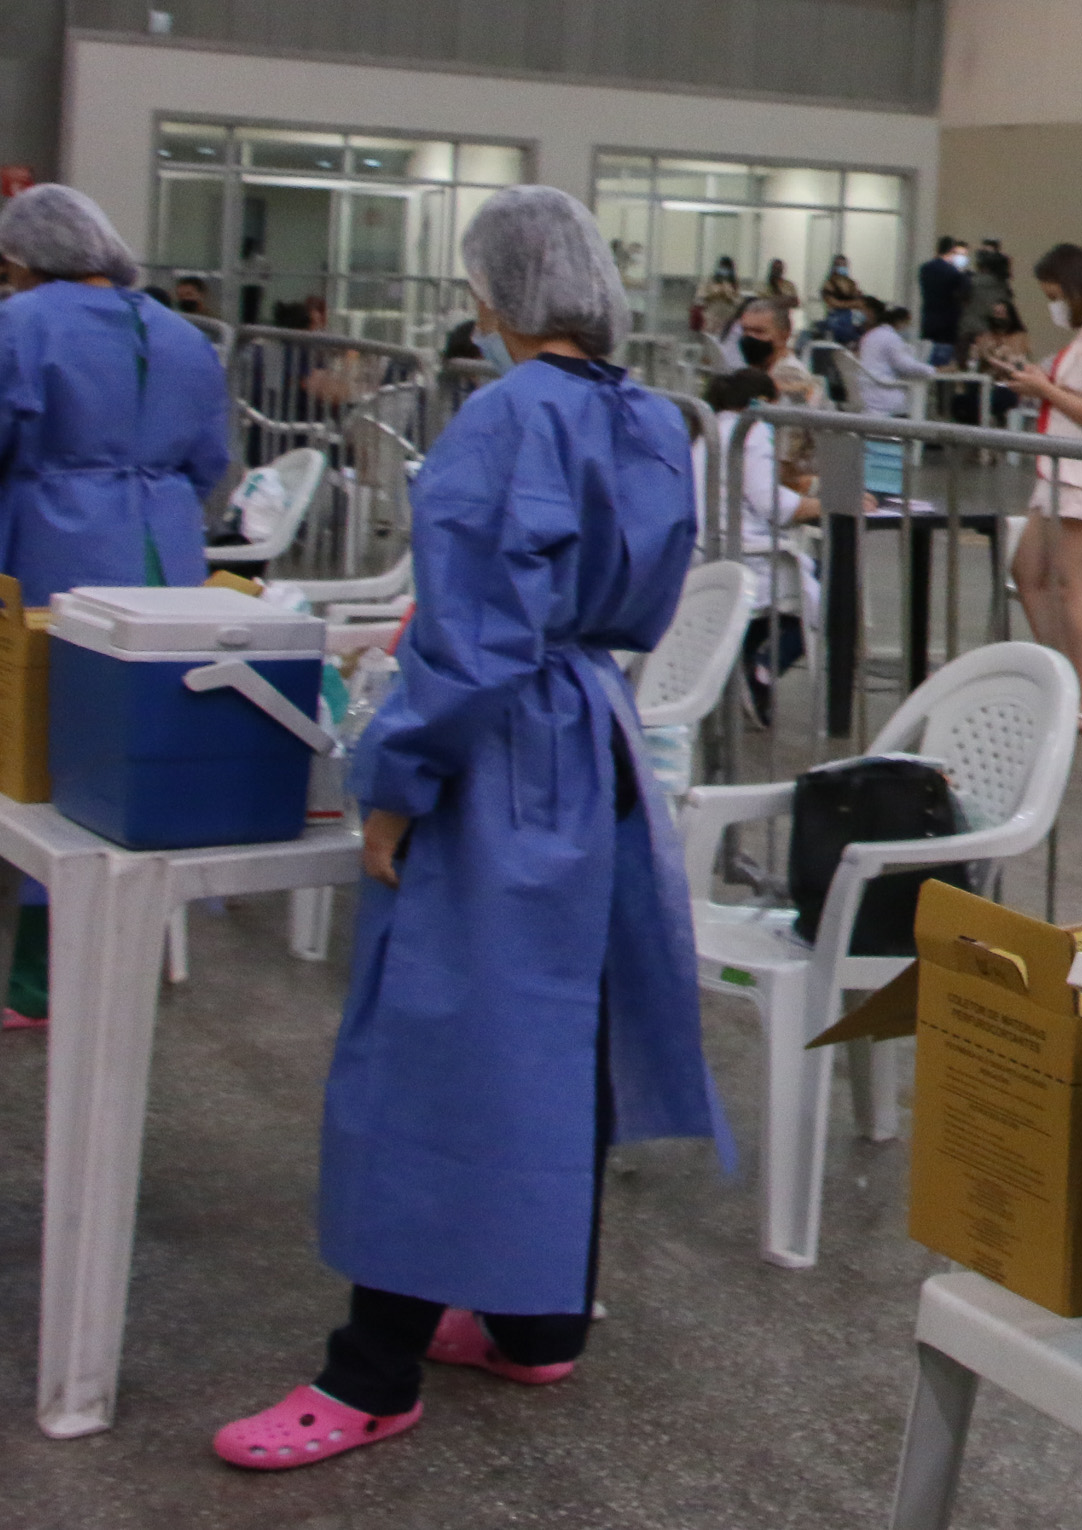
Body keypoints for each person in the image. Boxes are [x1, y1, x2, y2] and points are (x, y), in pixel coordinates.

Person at [213, 185, 727, 1470]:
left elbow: (479, 633)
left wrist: (395, 781)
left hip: (499, 754)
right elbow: (609, 595)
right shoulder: (653, 417)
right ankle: (534, 1316)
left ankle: (370, 1368)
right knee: (566, 1035)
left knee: (440, 1041)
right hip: (594, 735)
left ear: (491, 300)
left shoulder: (502, 417)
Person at [0, 184, 230, 1032]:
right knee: (145, 745)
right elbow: (210, 459)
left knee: (48, 760)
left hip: (58, 547)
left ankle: (36, 981)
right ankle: (144, 936)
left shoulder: (19, 325)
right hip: (165, 551)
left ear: (20, 259)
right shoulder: (181, 334)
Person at [992, 242, 1082, 733]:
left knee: (1074, 587)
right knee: (1027, 569)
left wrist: (1044, 390)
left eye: (1055, 295)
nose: (1053, 305)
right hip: (1059, 470)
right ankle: (1060, 678)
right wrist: (1040, 380)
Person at [700, 364, 818, 726]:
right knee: (828, 594)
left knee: (762, 609)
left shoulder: (707, 426)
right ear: (763, 402)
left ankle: (748, 666)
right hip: (747, 551)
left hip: (707, 548)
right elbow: (768, 500)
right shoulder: (752, 430)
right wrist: (823, 504)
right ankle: (765, 669)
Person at [852, 300, 940, 417]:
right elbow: (905, 366)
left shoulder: (870, 335)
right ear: (900, 322)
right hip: (885, 394)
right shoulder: (891, 338)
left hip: (867, 391)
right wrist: (935, 370)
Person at [919, 235, 970, 363]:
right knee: (944, 364)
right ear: (952, 251)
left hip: (929, 321)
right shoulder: (954, 273)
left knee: (929, 359)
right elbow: (964, 295)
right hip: (948, 325)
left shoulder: (925, 268)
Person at [818, 256, 866, 344]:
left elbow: (859, 301)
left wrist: (852, 303)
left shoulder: (851, 283)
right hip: (835, 318)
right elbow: (833, 303)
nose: (842, 267)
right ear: (834, 267)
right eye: (839, 265)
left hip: (850, 317)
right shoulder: (829, 284)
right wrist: (851, 304)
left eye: (844, 265)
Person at [695, 254, 745, 339]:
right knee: (710, 339)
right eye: (722, 267)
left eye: (727, 268)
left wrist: (729, 294)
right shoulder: (710, 280)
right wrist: (713, 293)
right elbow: (699, 298)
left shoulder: (734, 283)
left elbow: (739, 302)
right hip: (711, 316)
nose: (724, 270)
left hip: (728, 318)